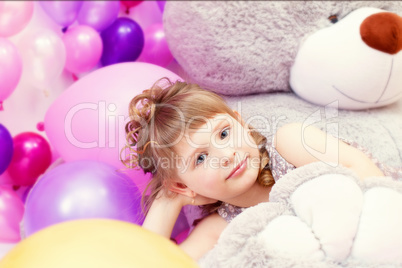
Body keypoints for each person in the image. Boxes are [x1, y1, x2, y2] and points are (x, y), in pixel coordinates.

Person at [123, 78, 385, 260]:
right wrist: (169, 200)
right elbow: (152, 261)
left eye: (224, 133)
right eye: (200, 159)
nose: (226, 155)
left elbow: (366, 174)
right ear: (183, 185)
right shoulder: (220, 227)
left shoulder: (290, 144)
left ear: (240, 122)